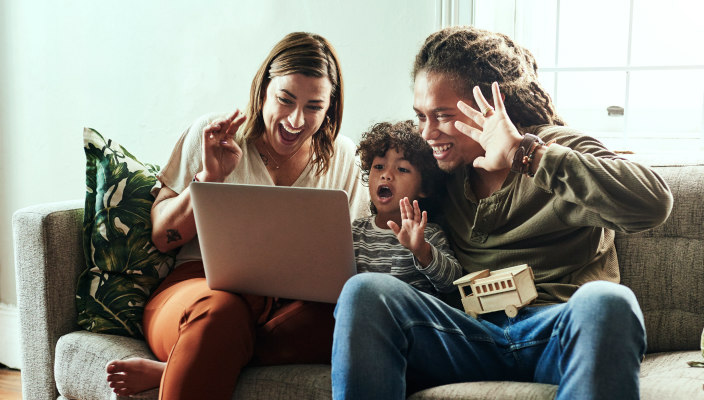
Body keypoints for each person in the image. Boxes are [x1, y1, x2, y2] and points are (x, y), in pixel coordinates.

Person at [331, 26, 673, 400]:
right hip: (464, 333)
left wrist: (523, 154)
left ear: (493, 107)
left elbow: (654, 203)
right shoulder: (442, 167)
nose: (427, 133)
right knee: (364, 293)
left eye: (442, 116)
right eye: (420, 116)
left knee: (610, 303)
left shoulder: (557, 147)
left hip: (553, 331)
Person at [105, 32, 369, 399]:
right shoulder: (216, 134)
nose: (295, 120)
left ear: (330, 108)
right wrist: (210, 180)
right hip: (200, 291)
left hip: (289, 307)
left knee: (356, 322)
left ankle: (183, 365)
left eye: (313, 107)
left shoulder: (343, 157)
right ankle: (202, 351)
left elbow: (353, 255)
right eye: (285, 99)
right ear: (263, 90)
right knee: (222, 312)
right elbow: (163, 237)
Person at [353, 120, 463, 297]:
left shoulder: (428, 233)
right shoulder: (355, 232)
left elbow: (452, 283)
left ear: (424, 188)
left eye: (402, 169)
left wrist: (422, 251)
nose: (386, 175)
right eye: (379, 166)